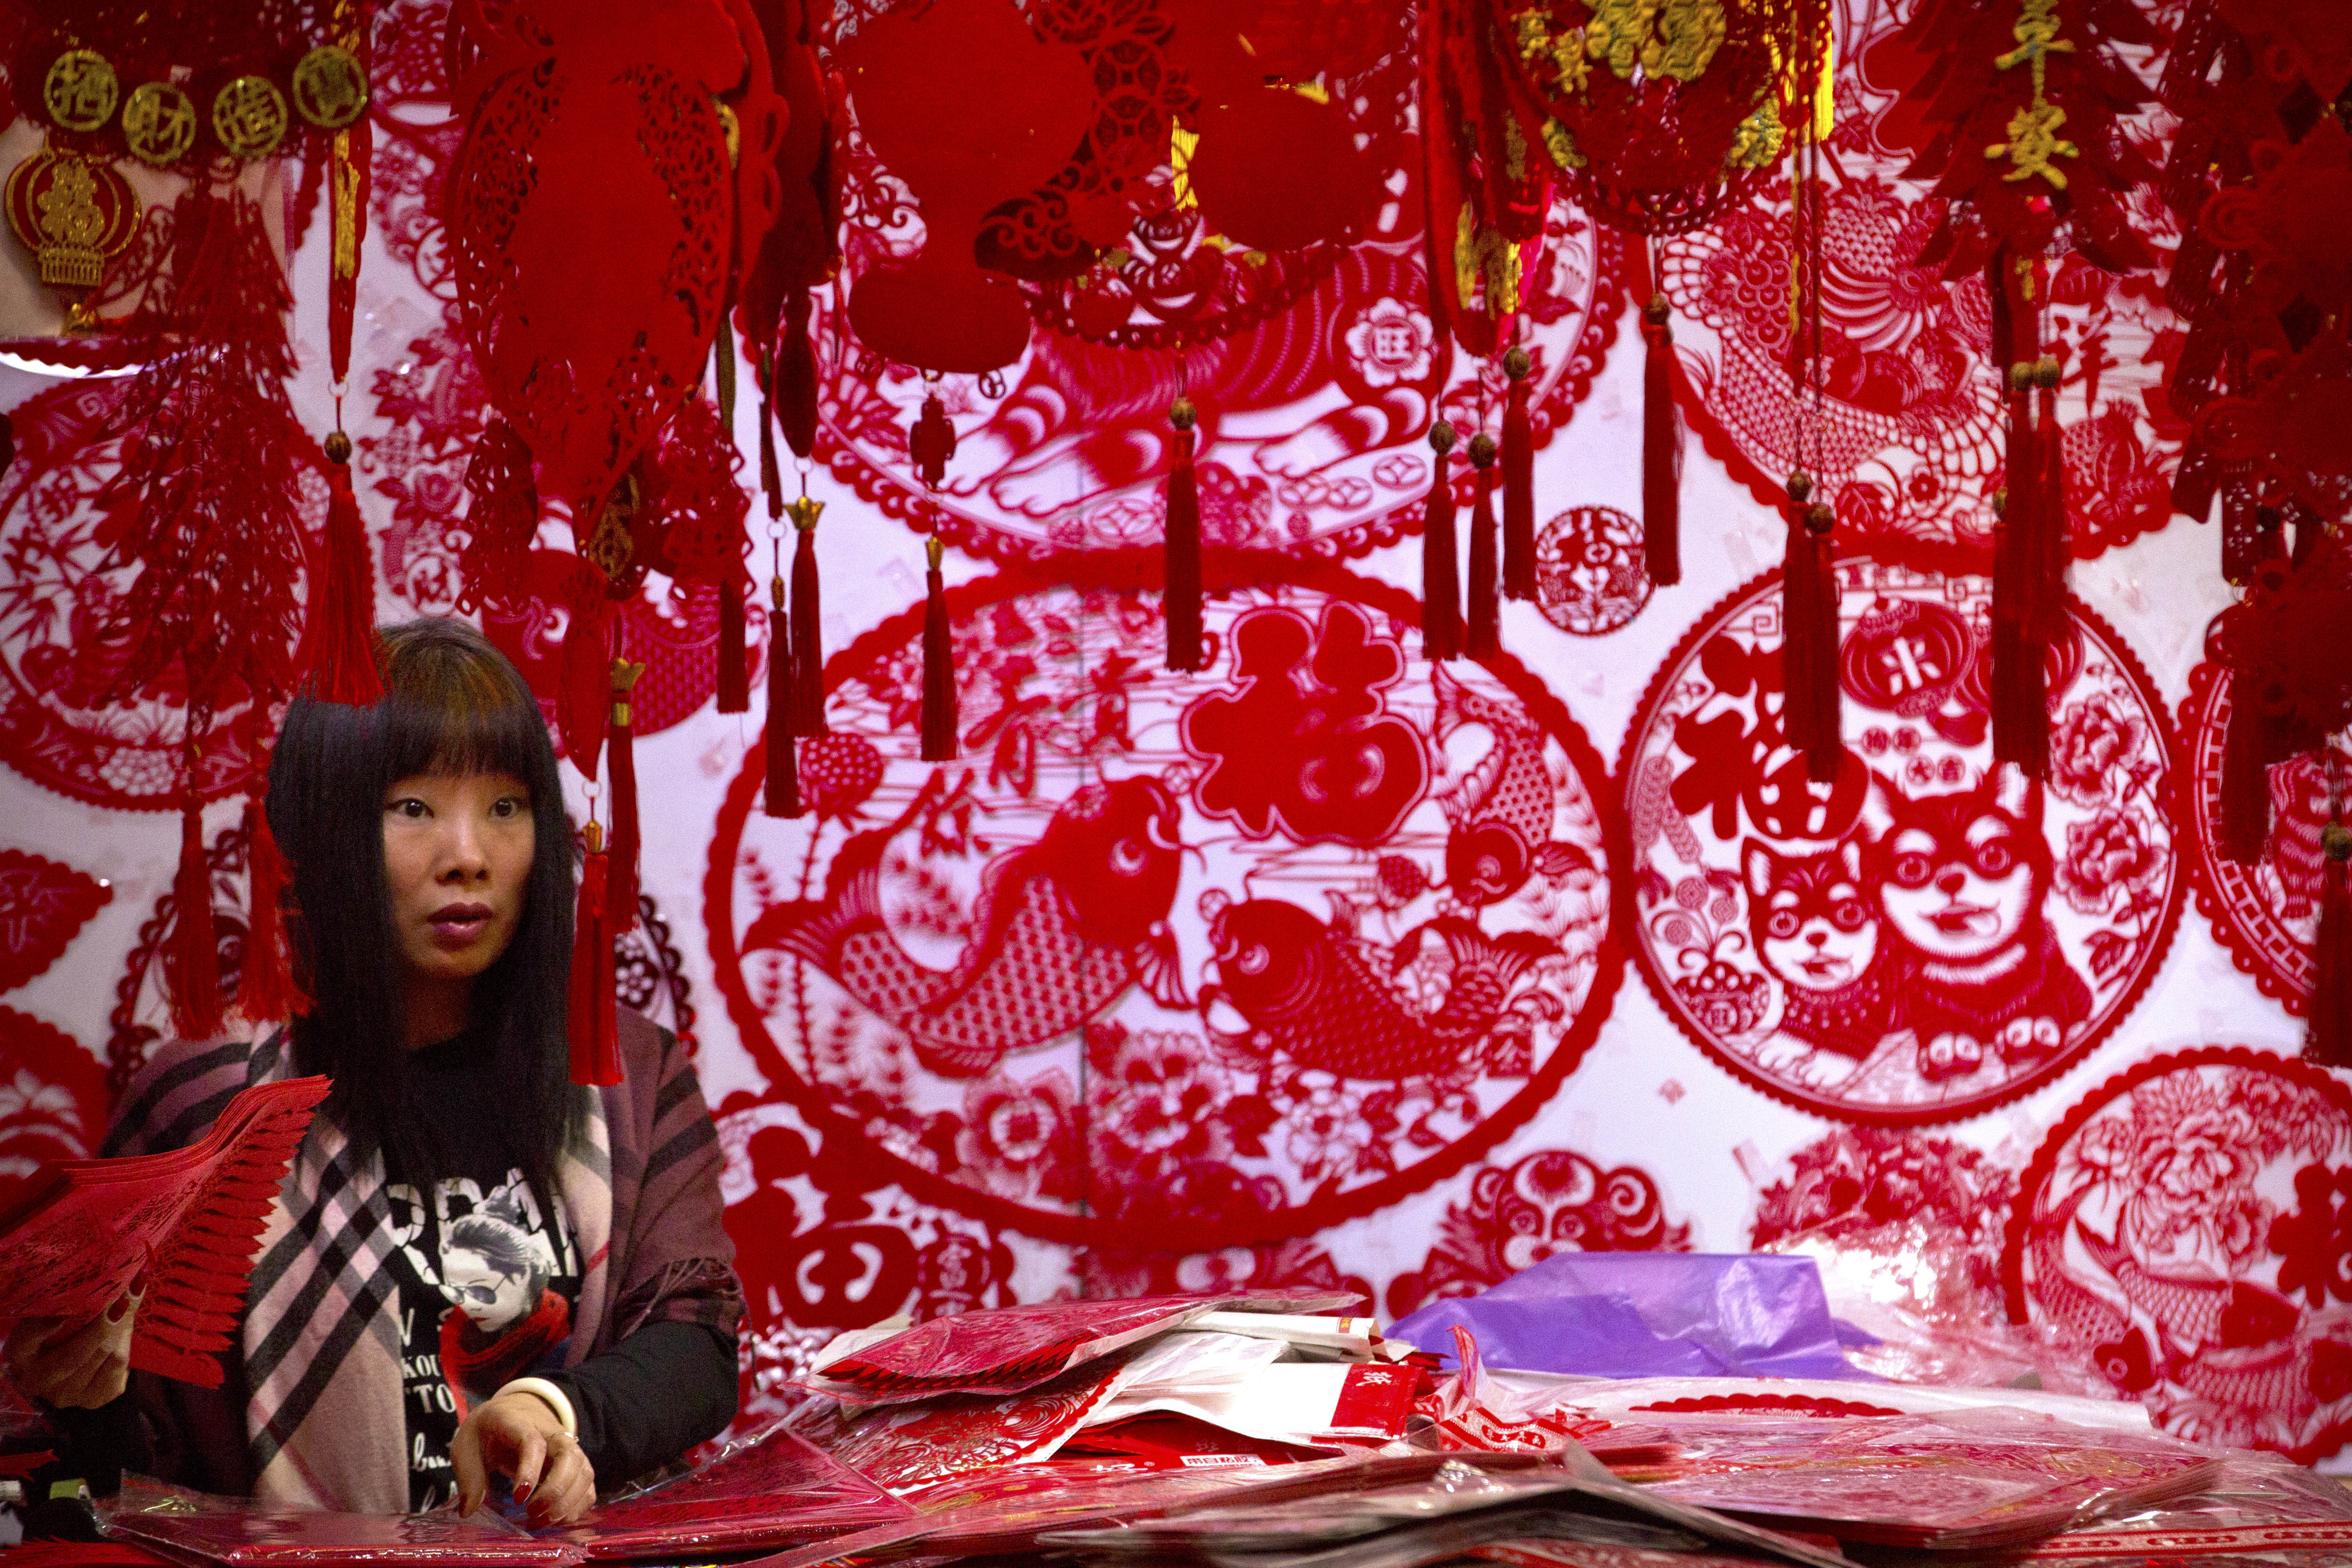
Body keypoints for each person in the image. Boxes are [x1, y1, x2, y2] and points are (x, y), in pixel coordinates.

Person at [2, 619, 742, 1523]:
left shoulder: (622, 1073)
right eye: (414, 808)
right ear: (325, 832)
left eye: (506, 807)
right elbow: (144, 1466)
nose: (468, 854)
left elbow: (697, 1344)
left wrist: (556, 1409)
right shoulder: (208, 1097)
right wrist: (87, 1391)